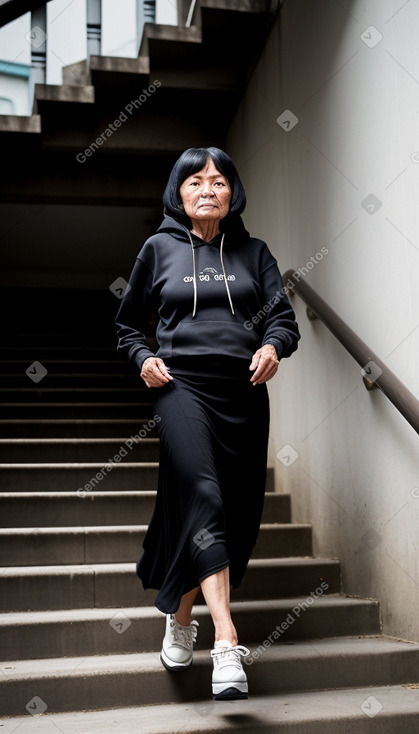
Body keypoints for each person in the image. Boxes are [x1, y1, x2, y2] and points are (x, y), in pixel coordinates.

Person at [115, 146, 300, 701]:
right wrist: (142, 358)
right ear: (178, 192)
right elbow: (127, 328)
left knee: (234, 515)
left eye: (218, 181)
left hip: (242, 395)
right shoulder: (158, 249)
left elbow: (285, 320)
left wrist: (272, 345)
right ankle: (226, 641)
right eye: (195, 181)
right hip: (180, 389)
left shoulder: (254, 252)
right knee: (205, 495)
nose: (207, 190)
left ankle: (179, 615)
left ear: (232, 193)